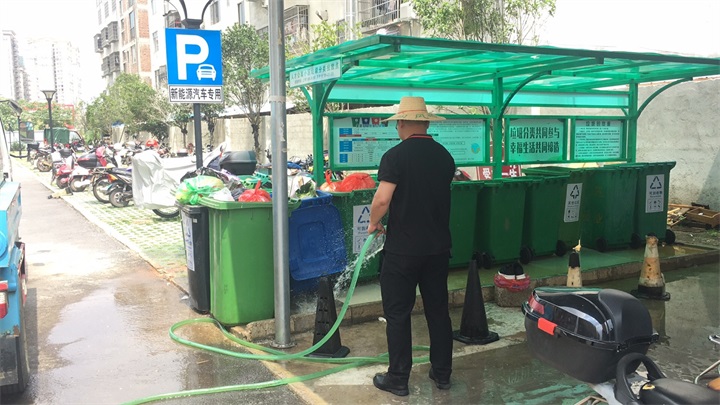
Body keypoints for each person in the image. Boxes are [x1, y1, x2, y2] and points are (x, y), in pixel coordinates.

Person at [368, 96, 455, 397]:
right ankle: (442, 374)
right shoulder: (444, 156)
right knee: (438, 312)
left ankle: (398, 378)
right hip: (438, 249)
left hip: (403, 251)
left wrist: (373, 223)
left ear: (403, 122)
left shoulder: (395, 157)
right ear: (426, 122)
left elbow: (382, 199)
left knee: (398, 314)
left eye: (398, 123)